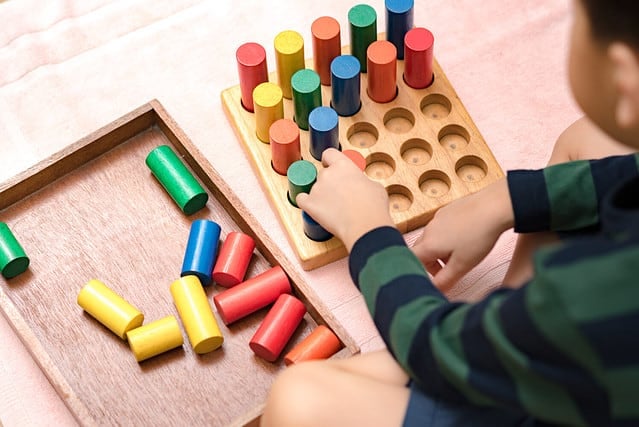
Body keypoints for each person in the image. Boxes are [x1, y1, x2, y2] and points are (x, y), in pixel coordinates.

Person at [261, 0, 639, 425]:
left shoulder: (597, 299)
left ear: (625, 76)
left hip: (558, 382)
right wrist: (504, 200)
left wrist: (367, 229)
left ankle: (505, 333)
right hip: (585, 361)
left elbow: (436, 350)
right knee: (589, 140)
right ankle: (508, 320)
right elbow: (623, 173)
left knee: (299, 400)